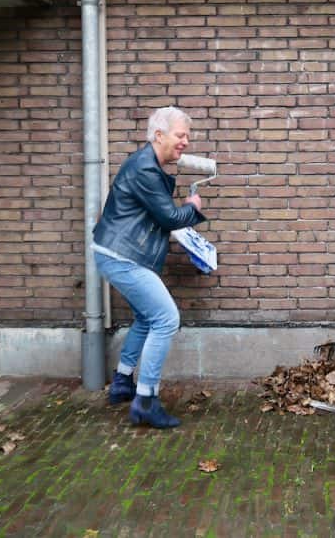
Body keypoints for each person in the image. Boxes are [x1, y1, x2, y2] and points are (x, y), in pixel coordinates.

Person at [92, 106, 207, 429]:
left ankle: (123, 381)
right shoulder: (145, 169)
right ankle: (145, 400)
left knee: (146, 317)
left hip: (119, 252)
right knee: (166, 318)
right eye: (180, 135)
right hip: (121, 255)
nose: (185, 142)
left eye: (188, 136)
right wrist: (192, 207)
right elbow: (169, 218)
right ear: (159, 135)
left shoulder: (150, 166)